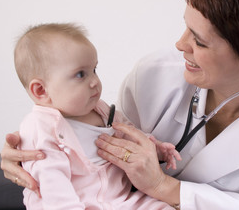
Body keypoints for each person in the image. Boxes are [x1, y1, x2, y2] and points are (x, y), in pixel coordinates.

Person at [1, 0, 239, 209]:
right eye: (187, 27)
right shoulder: (155, 74)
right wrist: (38, 154)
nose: (180, 45)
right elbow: (106, 146)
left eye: (199, 41)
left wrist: (163, 186)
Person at [11, 23, 180, 209]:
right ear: (41, 90)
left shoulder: (101, 110)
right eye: (80, 74)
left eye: (94, 70)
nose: (94, 82)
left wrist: (156, 149)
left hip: (121, 201)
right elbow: (53, 188)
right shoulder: (40, 128)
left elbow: (131, 136)